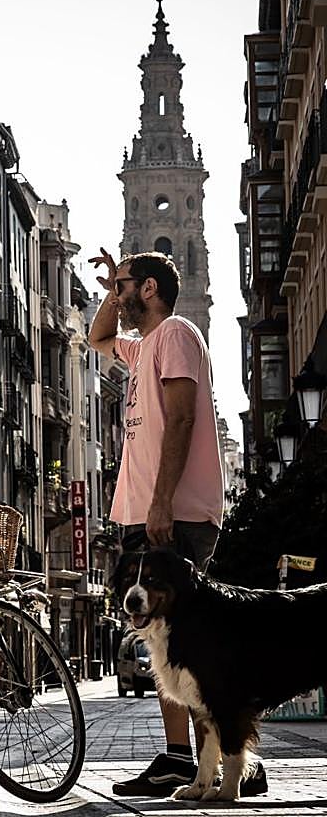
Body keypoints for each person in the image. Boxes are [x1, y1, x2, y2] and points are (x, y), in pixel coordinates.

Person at [87, 249, 265, 798]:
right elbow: (96, 341)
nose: (117, 295)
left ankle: (221, 759)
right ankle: (187, 759)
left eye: (124, 287)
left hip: (173, 513)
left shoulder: (176, 334)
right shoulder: (141, 348)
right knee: (168, 641)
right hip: (148, 512)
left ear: (149, 289)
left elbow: (184, 415)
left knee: (189, 642)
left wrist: (162, 502)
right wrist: (111, 286)